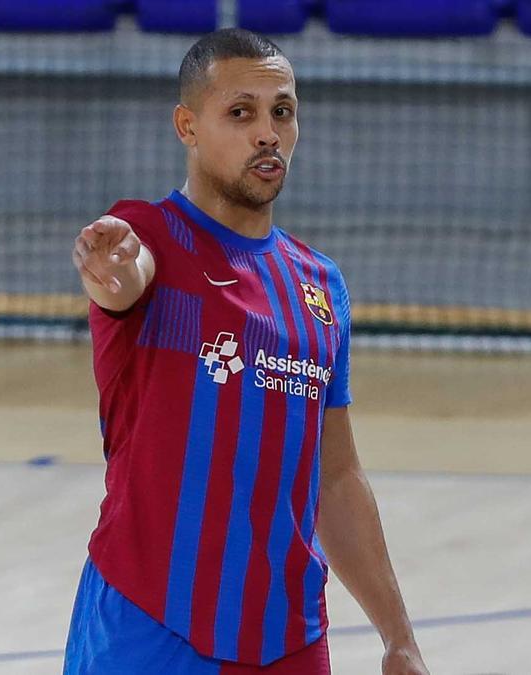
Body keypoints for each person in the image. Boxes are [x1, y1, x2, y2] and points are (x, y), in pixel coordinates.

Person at [65, 28, 428, 675]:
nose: (268, 133)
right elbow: (124, 278)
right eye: (242, 112)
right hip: (150, 629)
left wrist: (397, 635)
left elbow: (336, 475)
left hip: (286, 638)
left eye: (281, 112)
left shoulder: (320, 285)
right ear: (188, 126)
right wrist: (110, 270)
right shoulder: (150, 237)